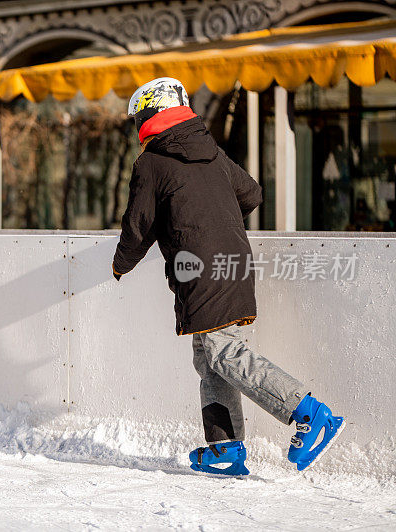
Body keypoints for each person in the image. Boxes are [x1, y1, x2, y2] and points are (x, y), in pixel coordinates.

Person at [112, 77, 344, 475]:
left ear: (151, 113)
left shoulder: (151, 162)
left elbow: (138, 227)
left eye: (139, 118)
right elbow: (251, 194)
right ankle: (224, 449)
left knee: (223, 352)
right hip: (232, 259)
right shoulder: (212, 152)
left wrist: (121, 264)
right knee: (209, 357)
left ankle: (309, 413)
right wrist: (217, 222)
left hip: (201, 267)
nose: (137, 128)